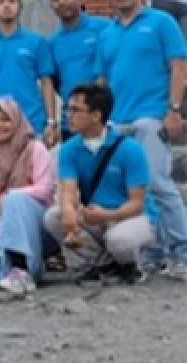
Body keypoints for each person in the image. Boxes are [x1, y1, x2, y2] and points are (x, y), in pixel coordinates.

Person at [96, 0, 187, 280]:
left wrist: (174, 110)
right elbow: (102, 81)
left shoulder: (162, 23)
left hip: (151, 117)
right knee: (135, 190)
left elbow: (178, 67)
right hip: (118, 122)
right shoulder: (107, 33)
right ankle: (153, 251)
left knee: (160, 185)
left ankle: (182, 252)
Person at [43, 84, 154, 283]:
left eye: (76, 110)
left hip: (127, 216)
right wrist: (69, 212)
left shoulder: (130, 149)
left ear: (96, 115)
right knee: (54, 216)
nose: (69, 115)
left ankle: (128, 264)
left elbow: (137, 203)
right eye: (68, 109)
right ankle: (105, 264)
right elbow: (68, 190)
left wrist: (108, 215)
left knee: (119, 240)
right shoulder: (69, 149)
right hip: (93, 215)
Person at [0, 98, 55, 296]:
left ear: (16, 120)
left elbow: (45, 189)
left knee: (15, 202)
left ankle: (22, 269)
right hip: (1, 225)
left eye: (5, 120)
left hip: (36, 220)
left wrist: (10, 195)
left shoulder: (34, 148)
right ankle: (8, 277)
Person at [0, 0, 58, 155]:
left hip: (32, 120)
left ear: (19, 6)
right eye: (1, 2)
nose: (6, 6)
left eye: (11, 1)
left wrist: (51, 122)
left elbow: (47, 83)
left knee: (35, 177)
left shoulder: (36, 42)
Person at [47, 0, 109, 139]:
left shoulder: (104, 28)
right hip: (72, 121)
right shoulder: (52, 42)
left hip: (103, 117)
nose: (61, 2)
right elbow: (55, 81)